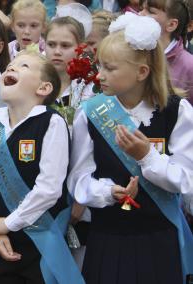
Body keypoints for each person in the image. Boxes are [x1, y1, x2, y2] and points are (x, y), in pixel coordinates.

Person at [68, 13, 193, 283]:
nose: (99, 75)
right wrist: (106, 192)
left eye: (110, 68)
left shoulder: (175, 112)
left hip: (159, 239)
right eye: (100, 65)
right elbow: (78, 179)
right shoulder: (90, 113)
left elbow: (187, 180)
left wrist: (147, 157)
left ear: (141, 72)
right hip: (108, 238)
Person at [0, 51, 83, 284]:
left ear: (43, 89)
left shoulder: (51, 122)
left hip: (41, 238)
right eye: (10, 66)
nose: (11, 68)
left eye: (23, 66)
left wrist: (8, 223)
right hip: (3, 237)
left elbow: (49, 188)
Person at [140, 0, 193, 104]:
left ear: (171, 25)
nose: (140, 14)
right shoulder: (134, 51)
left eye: (150, 11)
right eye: (141, 9)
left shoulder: (189, 66)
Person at [45, 17, 94, 111]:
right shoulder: (34, 82)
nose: (57, 52)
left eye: (65, 45)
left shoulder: (89, 88)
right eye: (51, 44)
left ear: (80, 48)